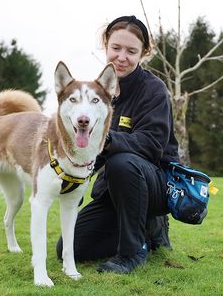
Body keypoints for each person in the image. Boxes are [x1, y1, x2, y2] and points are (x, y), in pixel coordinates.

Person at [56, 15, 180, 274]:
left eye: (131, 51)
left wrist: (106, 139)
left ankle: (133, 251)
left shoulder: (153, 90)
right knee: (67, 249)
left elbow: (152, 144)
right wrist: (72, 179)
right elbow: (87, 148)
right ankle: (144, 232)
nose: (122, 57)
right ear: (106, 45)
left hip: (154, 184)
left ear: (144, 53)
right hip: (113, 190)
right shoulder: (96, 93)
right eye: (116, 48)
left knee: (121, 162)